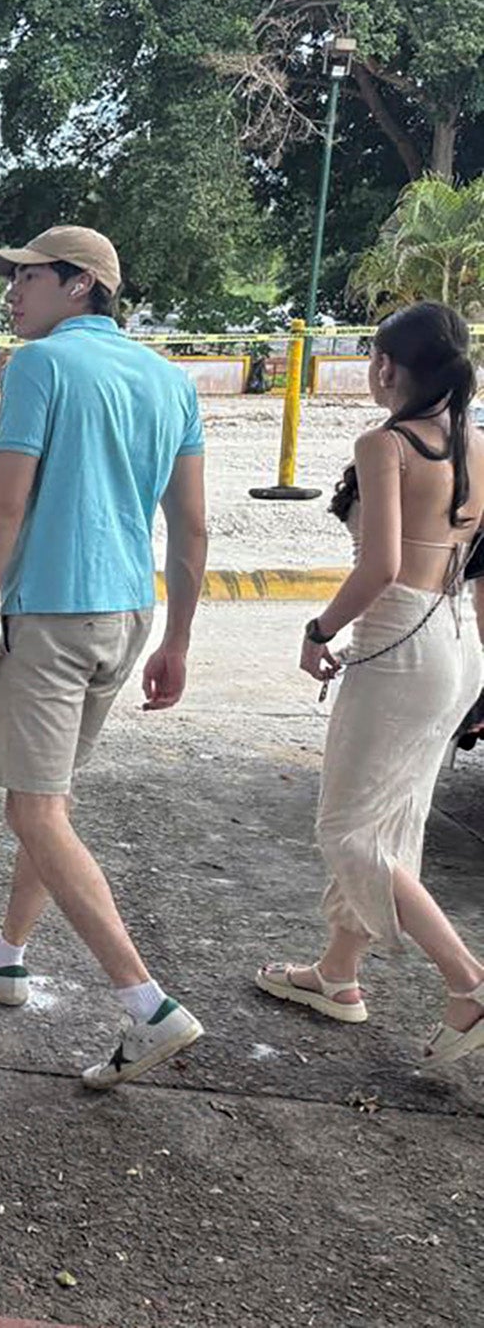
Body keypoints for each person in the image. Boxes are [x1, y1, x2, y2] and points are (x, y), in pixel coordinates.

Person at [0, 225, 210, 1090]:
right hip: (127, 612)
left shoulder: (41, 367)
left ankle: (148, 1004)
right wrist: (175, 640)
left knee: (36, 813)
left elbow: (5, 504)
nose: (12, 291)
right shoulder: (171, 381)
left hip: (53, 612)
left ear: (81, 284)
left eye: (27, 276)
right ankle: (7, 954)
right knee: (48, 802)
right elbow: (192, 526)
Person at [258, 302, 484, 1068]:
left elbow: (381, 564)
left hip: (399, 635)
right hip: (456, 637)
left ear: (387, 366)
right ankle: (338, 973)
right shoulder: (476, 444)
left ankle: (469, 981)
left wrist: (319, 629)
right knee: (394, 817)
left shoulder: (386, 444)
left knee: (349, 828)